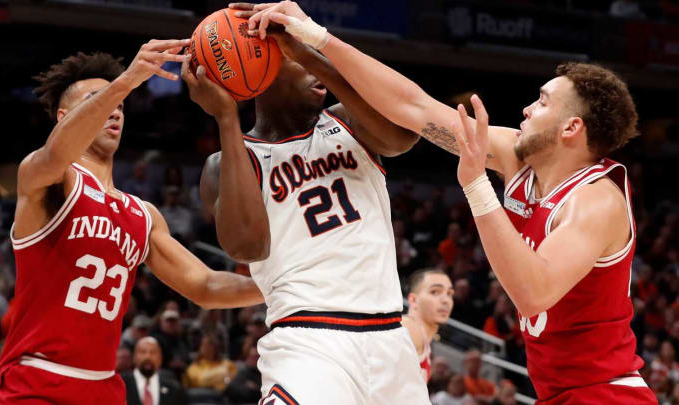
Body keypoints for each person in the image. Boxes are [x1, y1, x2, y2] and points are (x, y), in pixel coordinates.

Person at [248, 2, 657, 403]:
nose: (527, 109)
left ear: (571, 127)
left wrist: (477, 185)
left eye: (543, 102)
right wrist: (315, 38)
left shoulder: (596, 201)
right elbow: (414, 107)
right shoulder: (516, 155)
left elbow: (533, 293)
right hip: (559, 391)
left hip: (606, 393)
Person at [0, 42, 263, 404]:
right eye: (99, 100)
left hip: (104, 387)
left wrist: (281, 285)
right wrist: (126, 80)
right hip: (37, 381)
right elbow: (57, 152)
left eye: (119, 104)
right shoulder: (48, 178)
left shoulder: (143, 214)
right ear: (63, 117)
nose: (114, 109)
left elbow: (206, 286)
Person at [184, 4, 429, 403]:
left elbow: (404, 137)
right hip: (308, 342)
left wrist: (307, 52)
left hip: (390, 338)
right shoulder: (229, 161)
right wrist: (226, 118)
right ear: (261, 68)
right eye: (296, 59)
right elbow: (247, 247)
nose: (314, 68)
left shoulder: (348, 120)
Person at [402, 268, 454, 383]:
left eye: (449, 293)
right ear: (414, 300)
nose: (446, 300)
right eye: (435, 292)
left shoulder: (423, 338)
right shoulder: (410, 327)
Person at [122, 336, 184, 405]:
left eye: (153, 352)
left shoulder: (174, 388)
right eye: (143, 352)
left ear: (160, 358)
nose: (148, 356)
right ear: (134, 357)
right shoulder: (121, 385)